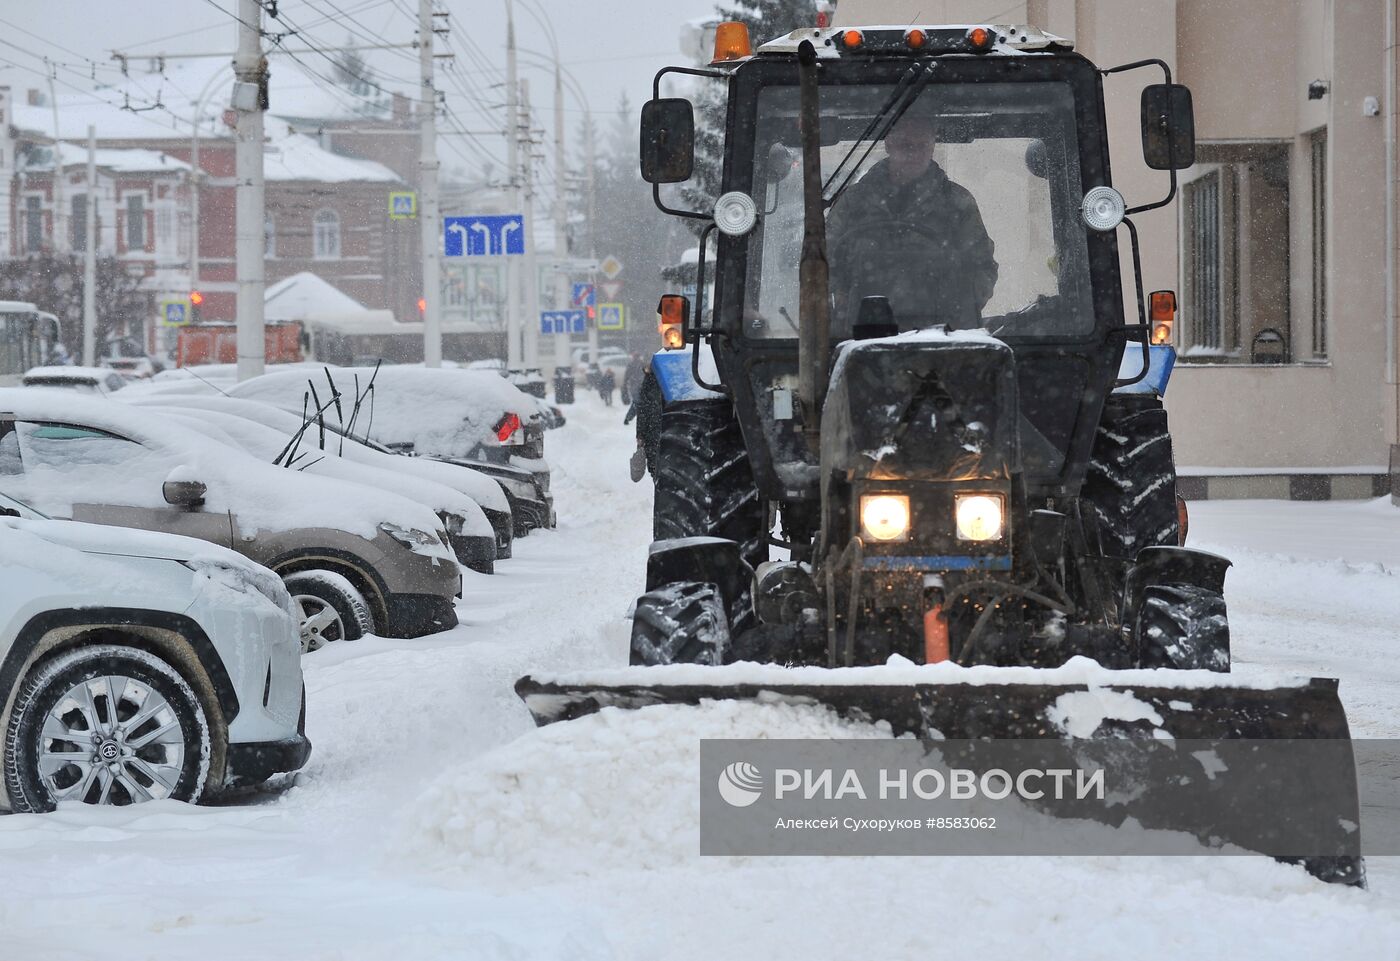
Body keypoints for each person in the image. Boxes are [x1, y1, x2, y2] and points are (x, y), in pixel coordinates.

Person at [826, 111, 998, 333]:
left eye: (922, 146)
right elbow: (820, 266)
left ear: (933, 146)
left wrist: (952, 312)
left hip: (942, 348)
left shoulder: (957, 204)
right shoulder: (852, 203)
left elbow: (982, 268)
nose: (914, 154)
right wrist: (841, 302)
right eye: (906, 145)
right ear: (888, 144)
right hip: (859, 339)